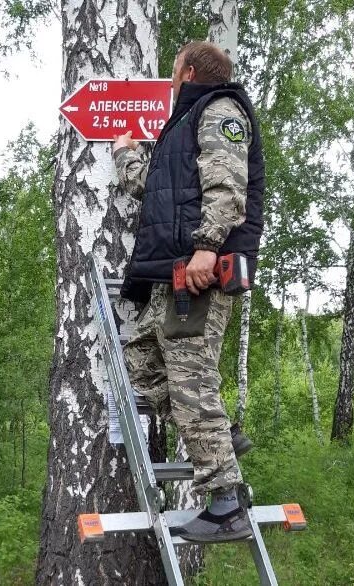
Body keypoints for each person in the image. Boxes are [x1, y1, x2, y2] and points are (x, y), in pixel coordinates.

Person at [112, 40, 265, 542]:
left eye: (174, 70)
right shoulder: (178, 127)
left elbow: (227, 189)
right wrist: (128, 157)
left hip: (198, 272)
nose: (170, 78)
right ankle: (226, 436)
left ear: (190, 71)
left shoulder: (220, 109)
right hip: (167, 274)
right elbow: (156, 193)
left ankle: (226, 504)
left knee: (189, 381)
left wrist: (206, 247)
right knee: (145, 369)